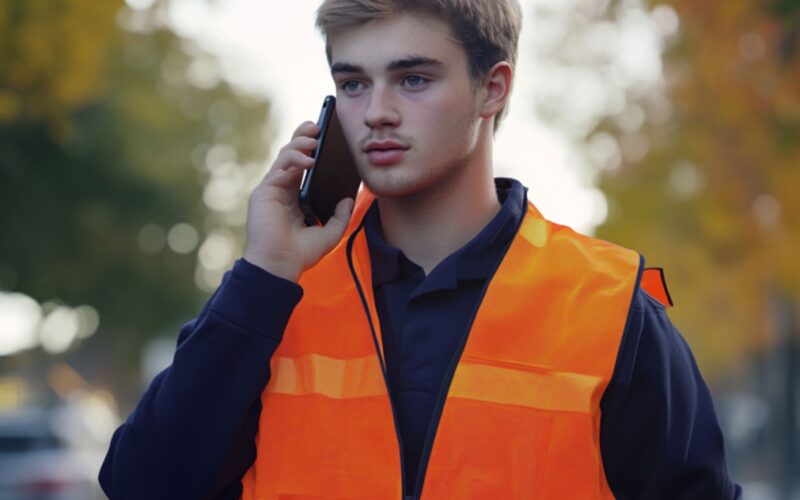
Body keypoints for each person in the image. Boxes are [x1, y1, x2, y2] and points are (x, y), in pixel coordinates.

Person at [100, 0, 741, 498]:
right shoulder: (275, 295)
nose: (375, 112)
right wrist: (264, 273)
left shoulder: (608, 309)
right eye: (352, 84)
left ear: (493, 89)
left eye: (411, 80)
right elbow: (143, 486)